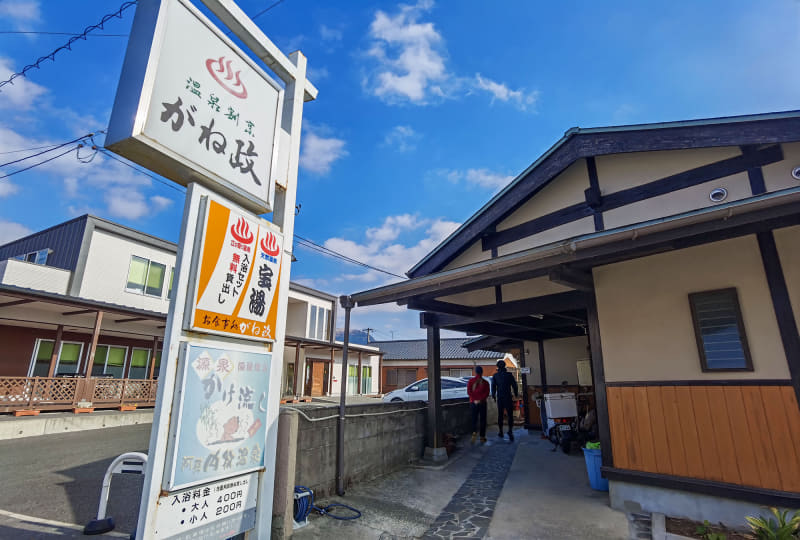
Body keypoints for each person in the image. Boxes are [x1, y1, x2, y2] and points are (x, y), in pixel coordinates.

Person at [491, 360, 518, 441]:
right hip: (508, 396)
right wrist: (516, 394)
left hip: (500, 397)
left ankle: (501, 431)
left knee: (500, 414)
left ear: (498, 366)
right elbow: (515, 385)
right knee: (510, 415)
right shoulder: (509, 375)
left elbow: (493, 387)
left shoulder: (495, 375)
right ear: (505, 366)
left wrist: (493, 395)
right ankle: (510, 431)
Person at [467, 366, 490, 443]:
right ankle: (482, 437)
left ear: (475, 372)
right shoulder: (485, 382)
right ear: (482, 372)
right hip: (482, 403)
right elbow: (487, 393)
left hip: (473, 403)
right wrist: (480, 400)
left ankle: (474, 433)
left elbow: (469, 392)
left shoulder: (471, 381)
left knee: (474, 419)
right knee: (483, 419)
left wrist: (474, 400)